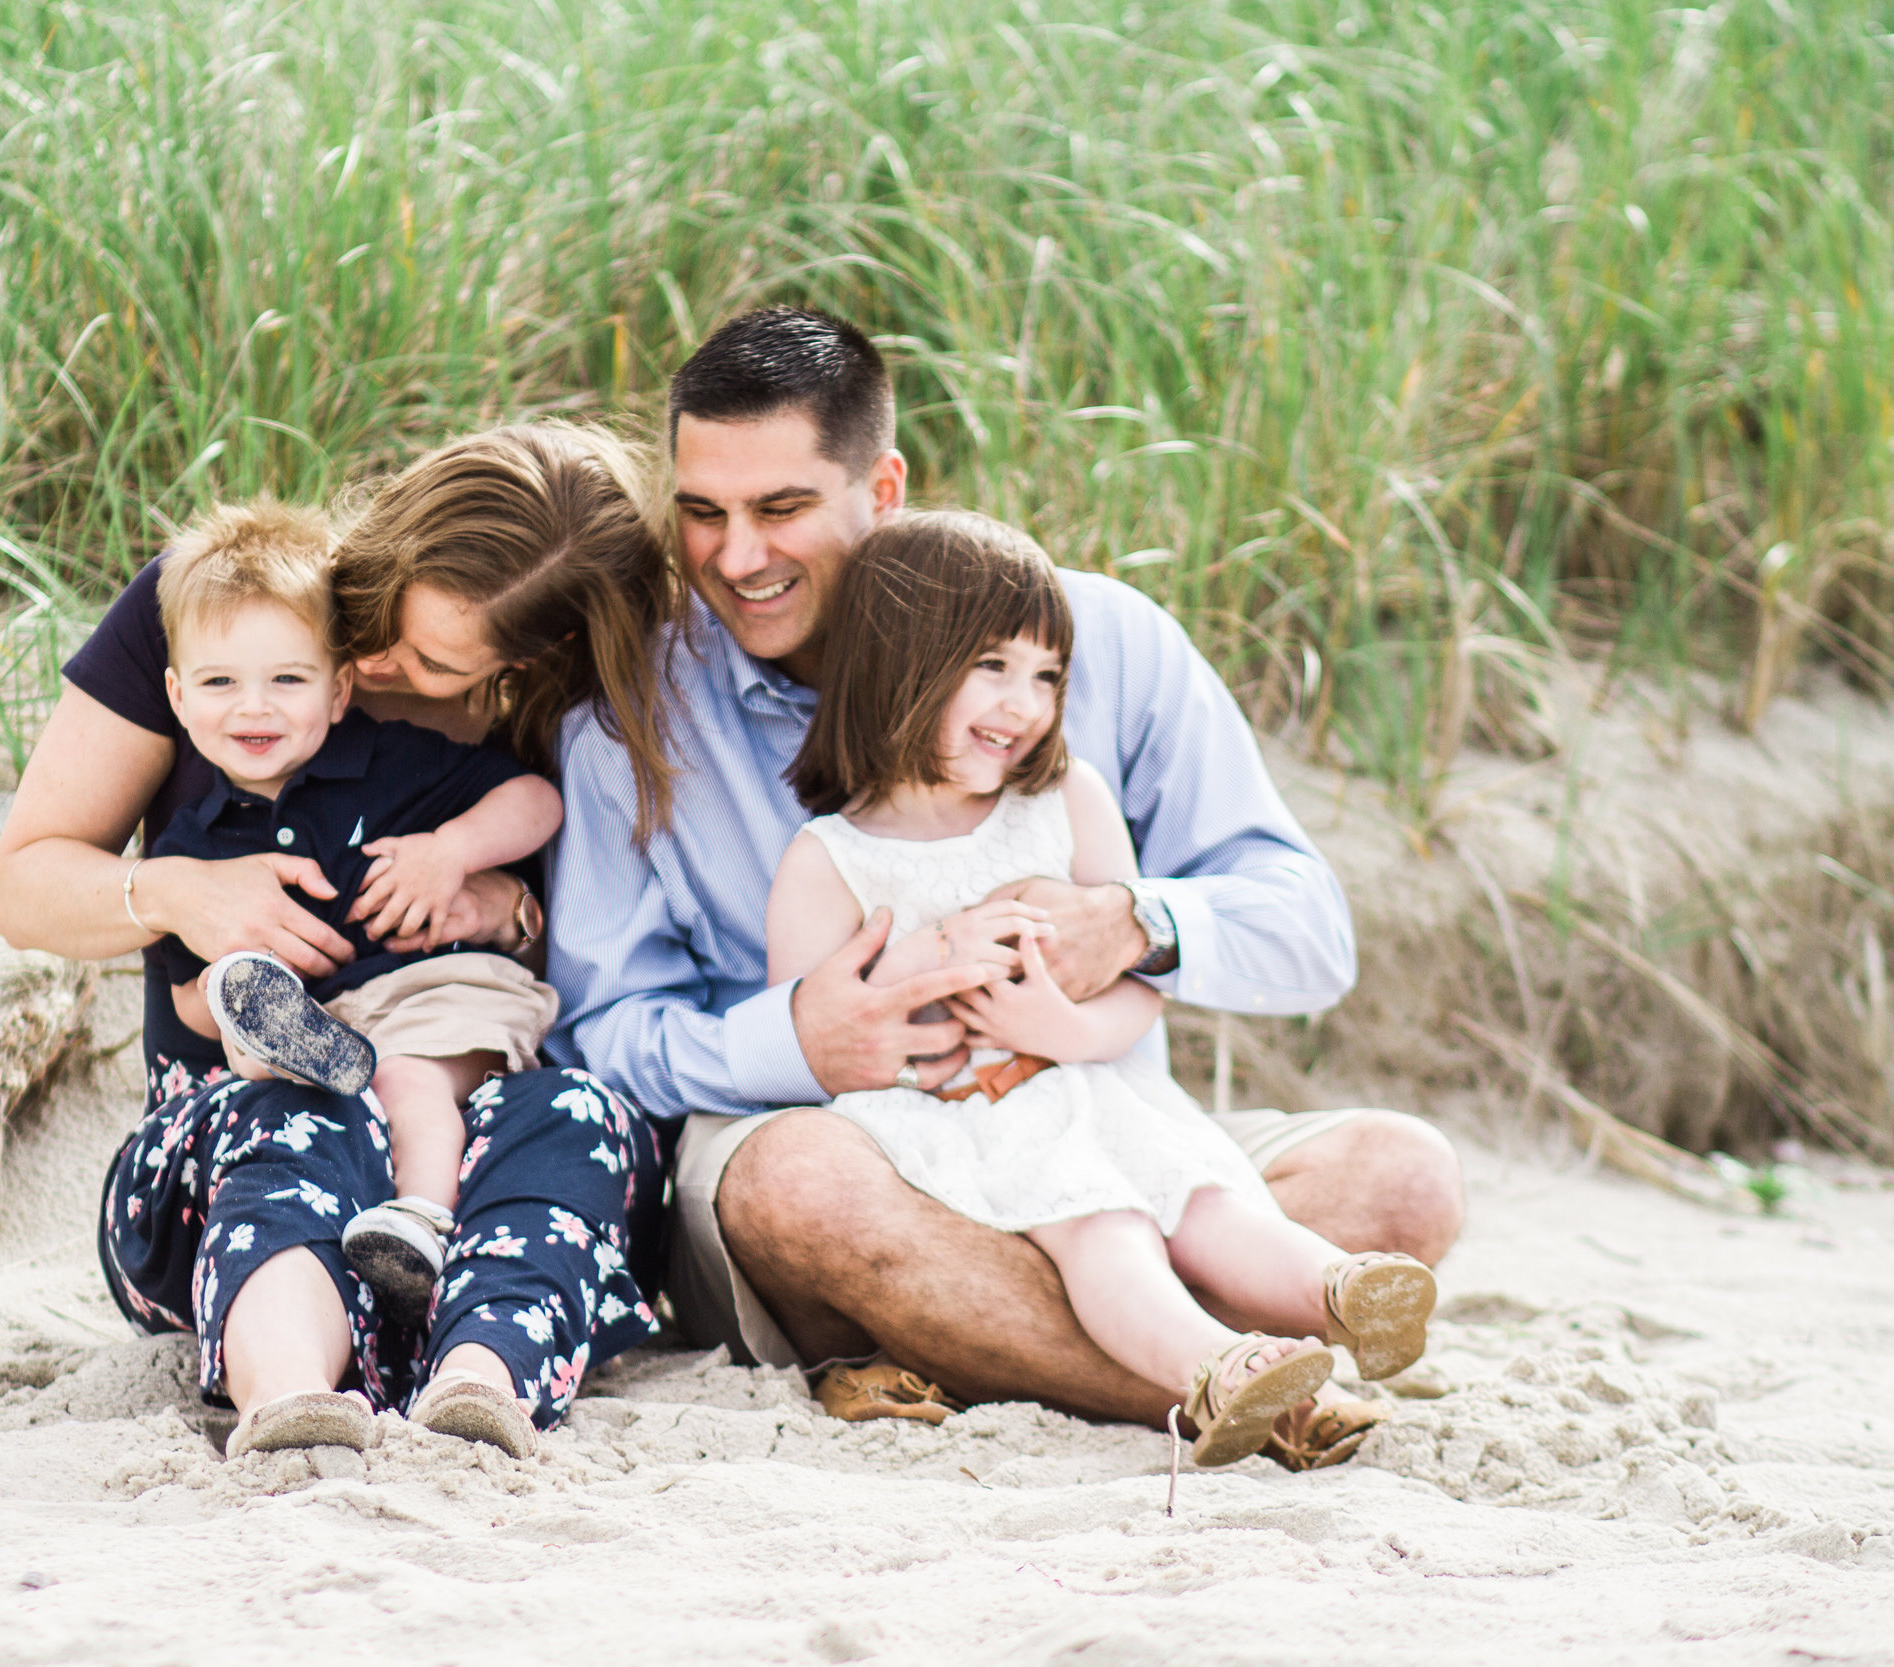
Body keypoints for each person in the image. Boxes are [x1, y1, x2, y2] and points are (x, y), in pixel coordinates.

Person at [547, 306, 1464, 1463]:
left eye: (780, 509)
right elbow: (595, 1034)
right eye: (702, 513)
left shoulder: (1103, 643)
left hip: (1097, 1131)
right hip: (865, 1162)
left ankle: (1024, 1343)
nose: (736, 557)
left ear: (882, 488)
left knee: (1400, 1177)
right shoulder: (631, 724)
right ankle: (1226, 1384)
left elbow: (1309, 931)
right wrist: (794, 1039)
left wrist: (1135, 923)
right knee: (796, 1184)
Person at [0, 423, 677, 1460]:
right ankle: (286, 1394)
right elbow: (23, 887)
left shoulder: (552, 717)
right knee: (303, 1109)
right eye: (383, 614)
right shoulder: (227, 612)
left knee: (575, 1113)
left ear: (527, 661)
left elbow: (585, 970)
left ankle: (478, 1379)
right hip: (242, 1154)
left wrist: (506, 910)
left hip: (449, 1130)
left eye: (434, 659)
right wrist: (178, 890)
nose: (376, 657)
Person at [763, 509, 1436, 1465]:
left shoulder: (1063, 800)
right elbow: (814, 1049)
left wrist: (1059, 1028)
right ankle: (1217, 1365)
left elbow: (1132, 996)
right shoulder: (830, 860)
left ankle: (1343, 1287)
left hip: (1100, 1087)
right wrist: (927, 982)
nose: (1024, 703)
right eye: (991, 667)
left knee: (1205, 1195)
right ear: (898, 662)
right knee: (1108, 1224)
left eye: (1047, 676)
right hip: (957, 1124)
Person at [136, 499, 565, 1310]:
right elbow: (181, 998)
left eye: (286, 681)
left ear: (339, 693)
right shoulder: (189, 849)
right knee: (253, 1038)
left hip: (446, 990)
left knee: (404, 1077)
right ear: (178, 696)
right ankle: (278, 1036)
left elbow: (538, 801)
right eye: (220, 682)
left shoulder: (391, 761)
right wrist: (226, 994)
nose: (253, 707)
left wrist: (453, 852)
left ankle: (423, 1220)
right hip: (334, 1020)